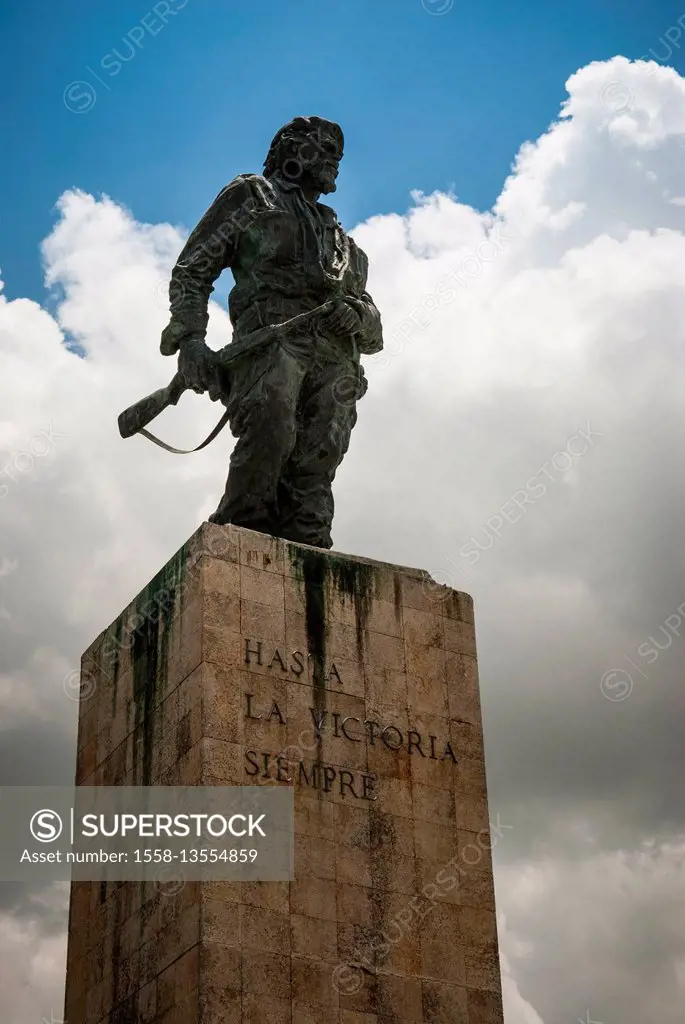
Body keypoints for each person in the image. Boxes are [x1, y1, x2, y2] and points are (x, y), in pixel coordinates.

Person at [159, 115, 383, 549]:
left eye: (338, 151)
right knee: (270, 435)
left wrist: (358, 316)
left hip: (337, 358)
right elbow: (194, 270)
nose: (335, 158)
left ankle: (310, 553)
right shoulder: (251, 196)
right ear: (290, 151)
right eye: (322, 147)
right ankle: (240, 541)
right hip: (271, 342)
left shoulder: (345, 244)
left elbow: (374, 328)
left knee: (319, 460)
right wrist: (190, 340)